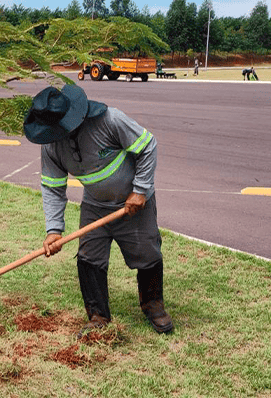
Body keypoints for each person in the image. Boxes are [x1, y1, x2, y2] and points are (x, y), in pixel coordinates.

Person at [23, 85, 173, 336]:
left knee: (147, 253)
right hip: (95, 206)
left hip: (133, 204)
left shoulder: (110, 120)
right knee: (89, 258)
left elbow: (148, 146)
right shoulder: (51, 145)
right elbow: (52, 187)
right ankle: (98, 316)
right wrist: (53, 230)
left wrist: (140, 190)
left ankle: (153, 305)